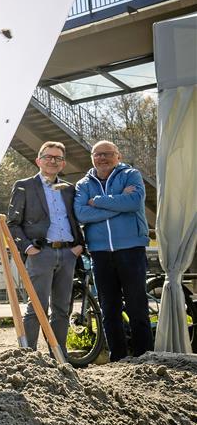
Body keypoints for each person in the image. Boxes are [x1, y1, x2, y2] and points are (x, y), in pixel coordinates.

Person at [6, 141, 86, 358]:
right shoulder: (24, 186)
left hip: (68, 254)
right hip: (41, 253)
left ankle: (59, 357)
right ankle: (28, 358)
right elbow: (12, 223)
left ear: (63, 164)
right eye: (48, 157)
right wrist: (28, 247)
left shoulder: (70, 189)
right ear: (38, 160)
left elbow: (79, 218)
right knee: (37, 308)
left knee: (62, 309)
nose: (52, 161)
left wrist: (78, 247)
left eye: (57, 158)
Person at [74, 140, 152, 360]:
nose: (102, 158)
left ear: (118, 156)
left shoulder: (131, 175)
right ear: (92, 157)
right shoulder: (83, 184)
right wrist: (117, 205)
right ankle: (118, 358)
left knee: (137, 306)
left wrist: (97, 201)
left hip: (131, 249)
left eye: (107, 153)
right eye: (97, 154)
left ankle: (145, 357)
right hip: (100, 253)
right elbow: (81, 214)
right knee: (109, 309)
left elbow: (134, 203)